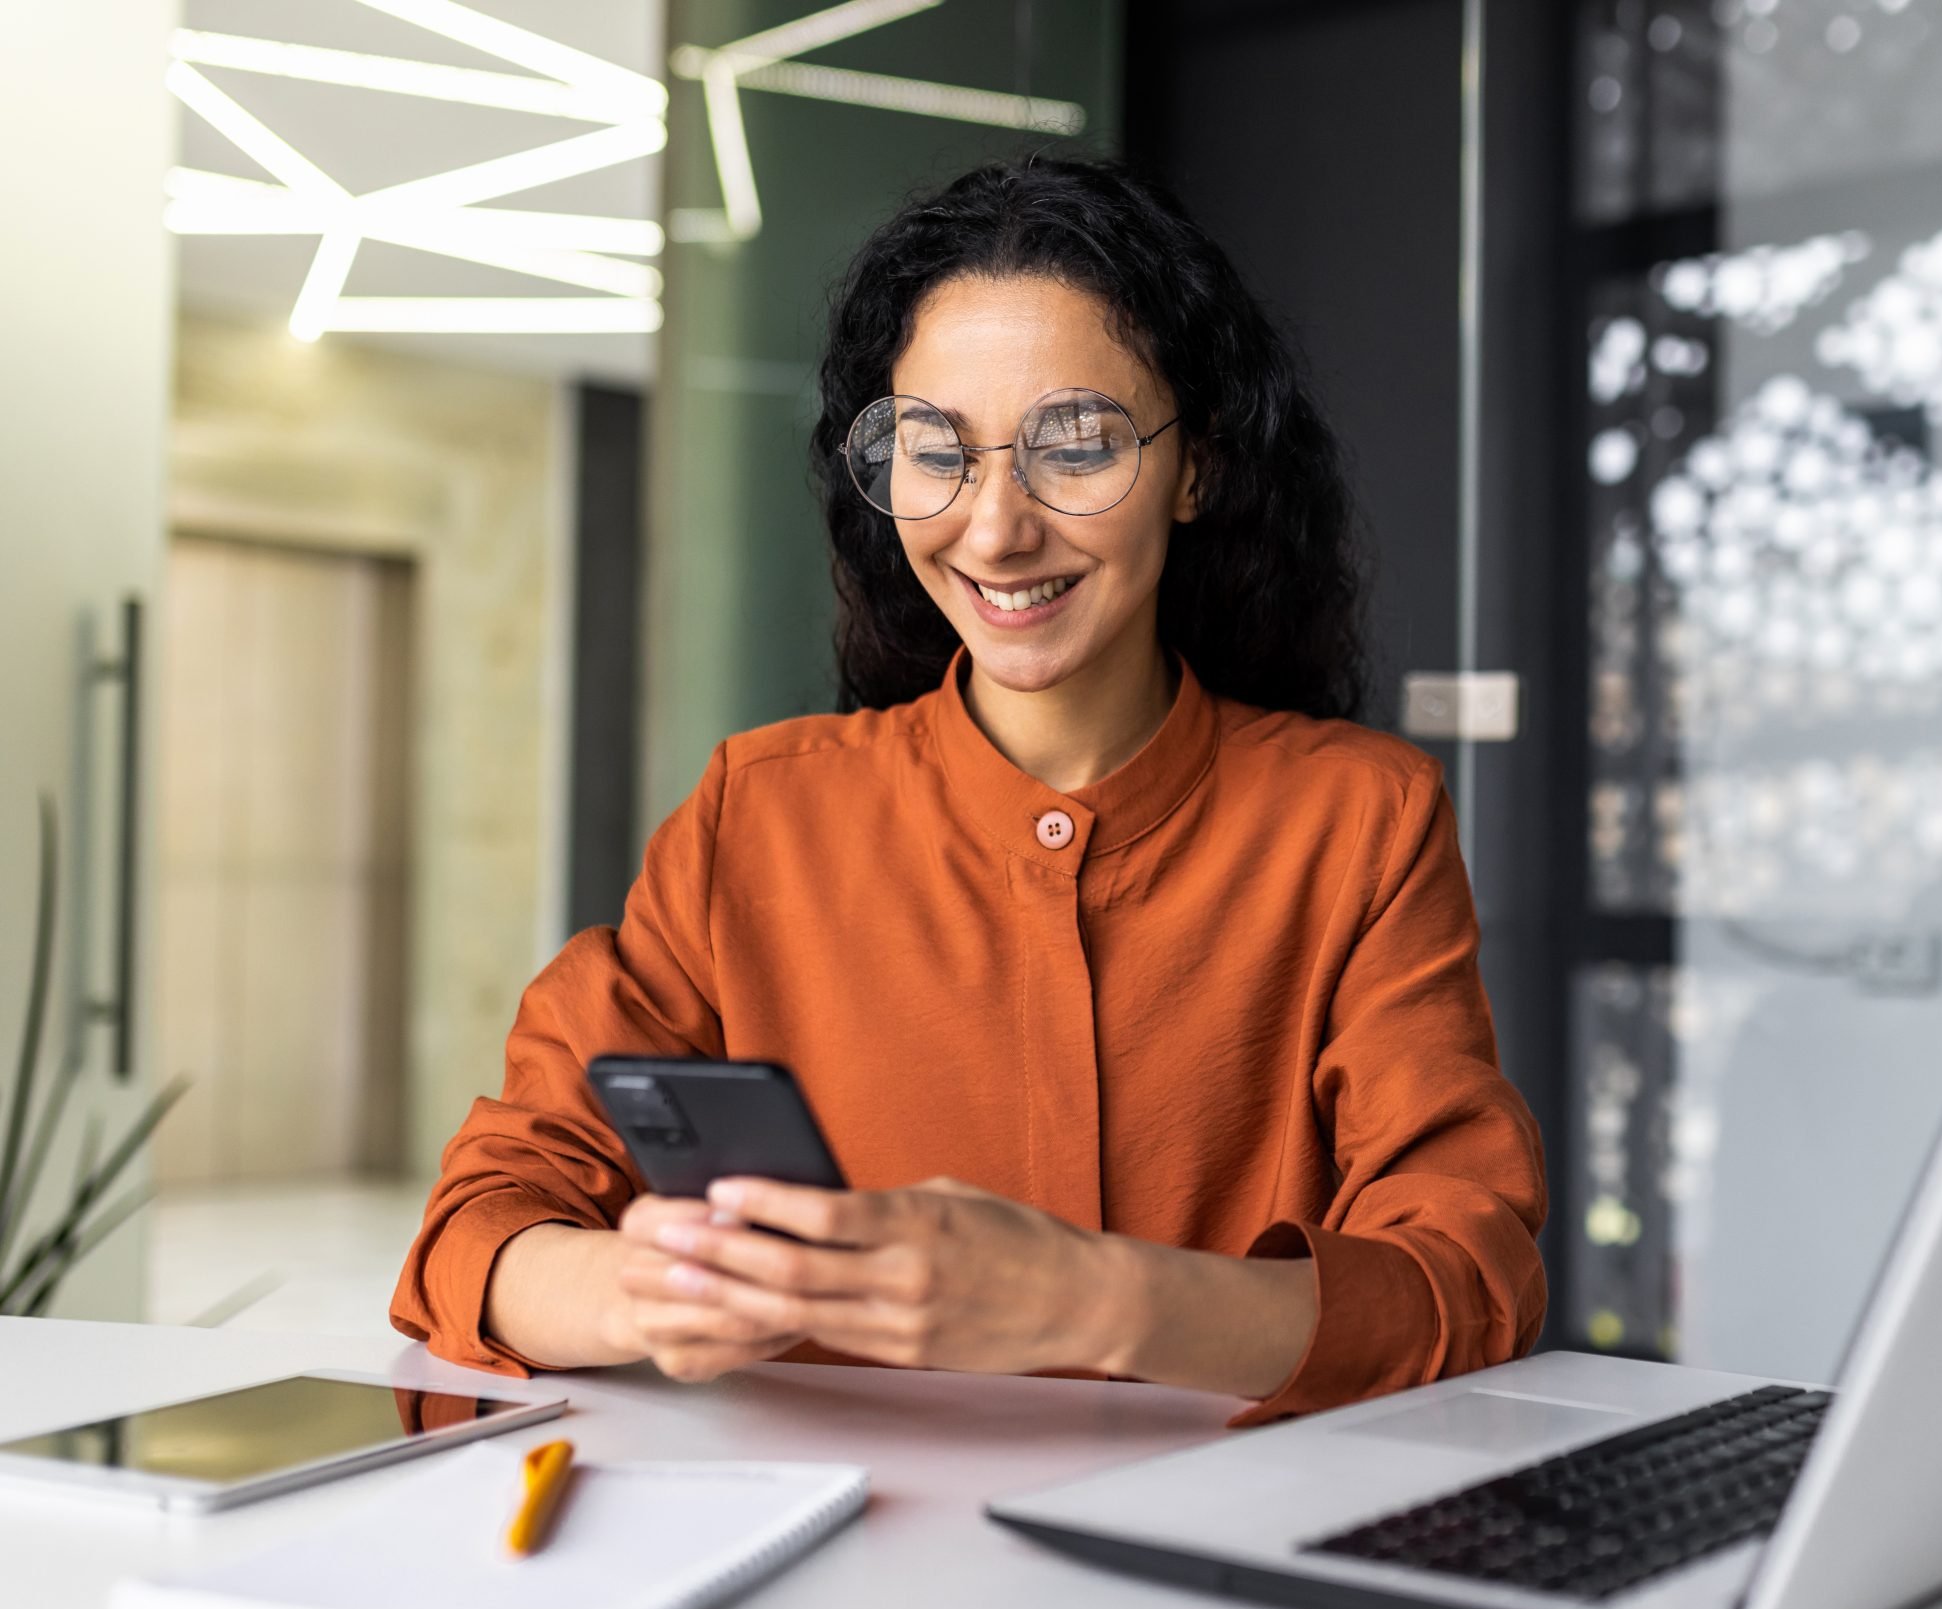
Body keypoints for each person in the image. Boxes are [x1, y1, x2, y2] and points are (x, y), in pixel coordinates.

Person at [389, 155, 1546, 1423]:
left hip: (1207, 1564)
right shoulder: (756, 816)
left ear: (1197, 468)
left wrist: (1091, 1302)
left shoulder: (1358, 822)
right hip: (838, 1562)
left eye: (1076, 446)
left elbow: (1465, 1276)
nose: (994, 529)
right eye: (933, 451)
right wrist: (640, 1289)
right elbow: (482, 1226)